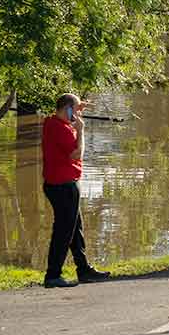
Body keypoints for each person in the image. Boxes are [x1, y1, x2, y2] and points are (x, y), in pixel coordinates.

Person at [41, 94, 109, 288]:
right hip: (64, 186)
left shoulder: (51, 122)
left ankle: (84, 269)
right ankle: (53, 275)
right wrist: (81, 130)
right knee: (64, 231)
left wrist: (77, 107)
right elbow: (76, 154)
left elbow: (67, 111)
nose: (79, 113)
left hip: (58, 184)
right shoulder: (62, 129)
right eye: (76, 109)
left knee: (75, 228)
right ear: (68, 109)